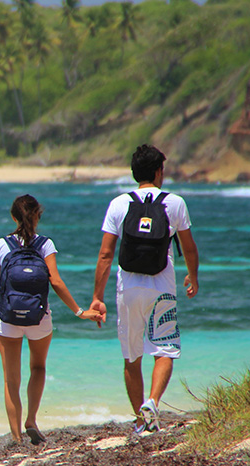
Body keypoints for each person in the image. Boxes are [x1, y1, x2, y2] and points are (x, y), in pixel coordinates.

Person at [90, 144, 199, 434]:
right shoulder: (174, 203)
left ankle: (141, 420)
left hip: (128, 287)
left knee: (131, 356)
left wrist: (97, 298)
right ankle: (152, 402)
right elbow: (188, 247)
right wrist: (193, 276)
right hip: (162, 285)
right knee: (164, 349)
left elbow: (105, 254)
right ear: (158, 171)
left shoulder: (118, 204)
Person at [0, 194, 101, 445]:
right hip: (39, 319)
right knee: (38, 368)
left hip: (7, 319)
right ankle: (31, 421)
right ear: (38, 216)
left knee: (10, 379)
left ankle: (15, 437)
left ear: (13, 217)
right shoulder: (46, 245)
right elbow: (55, 281)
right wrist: (80, 312)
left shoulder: (0, 246)